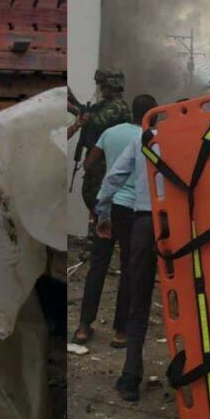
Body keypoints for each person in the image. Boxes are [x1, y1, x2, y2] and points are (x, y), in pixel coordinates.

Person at [74, 94, 157, 347]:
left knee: (97, 266)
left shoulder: (110, 133)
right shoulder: (151, 139)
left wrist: (100, 199)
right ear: (151, 114)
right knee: (129, 269)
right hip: (135, 211)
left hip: (109, 206)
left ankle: (84, 326)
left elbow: (89, 164)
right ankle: (121, 331)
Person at [93, 106, 162, 402]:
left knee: (138, 297)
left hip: (146, 223)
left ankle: (131, 375)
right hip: (186, 229)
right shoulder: (201, 141)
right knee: (191, 300)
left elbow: (113, 178)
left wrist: (103, 214)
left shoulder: (145, 139)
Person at [68, 68, 132, 213]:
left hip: (107, 162)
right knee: (91, 196)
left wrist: (75, 109)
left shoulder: (118, 106)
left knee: (97, 198)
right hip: (99, 161)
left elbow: (95, 121)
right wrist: (72, 100)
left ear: (111, 87)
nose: (101, 89)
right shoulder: (104, 105)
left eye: (103, 86)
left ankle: (103, 228)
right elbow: (86, 113)